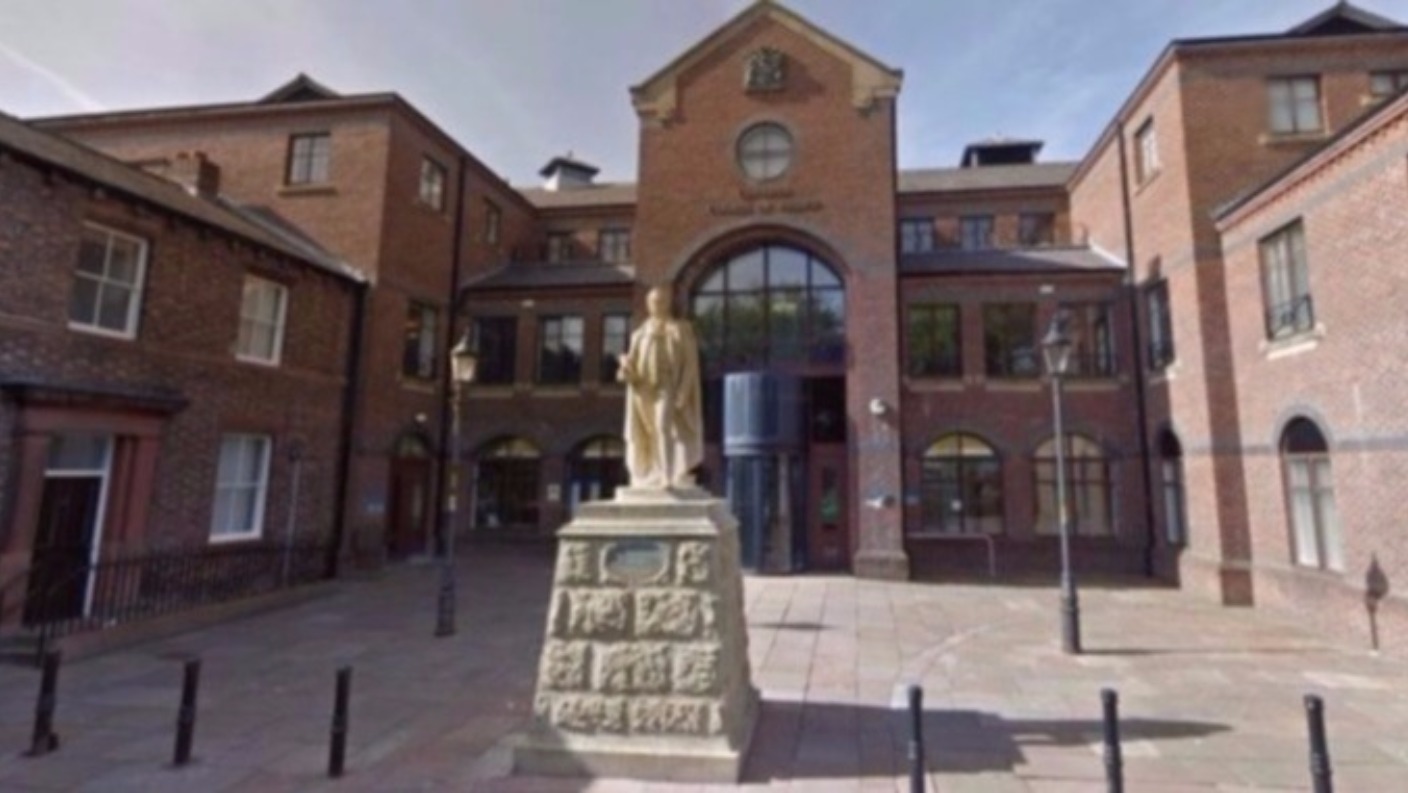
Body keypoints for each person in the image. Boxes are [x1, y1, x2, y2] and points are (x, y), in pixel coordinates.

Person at [617, 286, 703, 489]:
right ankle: (651, 471)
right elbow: (630, 364)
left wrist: (684, 390)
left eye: (662, 301)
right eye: (654, 302)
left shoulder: (680, 329)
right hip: (643, 387)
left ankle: (667, 474)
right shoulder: (640, 333)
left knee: (663, 427)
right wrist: (625, 367)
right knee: (650, 430)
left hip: (667, 385)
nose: (658, 305)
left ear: (668, 303)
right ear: (648, 305)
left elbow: (690, 364)